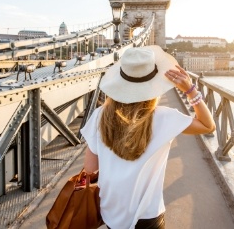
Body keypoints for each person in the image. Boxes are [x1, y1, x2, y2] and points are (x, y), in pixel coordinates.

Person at [80, 45, 216, 229]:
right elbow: (208, 126)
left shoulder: (99, 116)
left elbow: (90, 168)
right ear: (154, 85)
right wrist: (190, 90)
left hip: (111, 212)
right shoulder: (166, 118)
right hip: (148, 215)